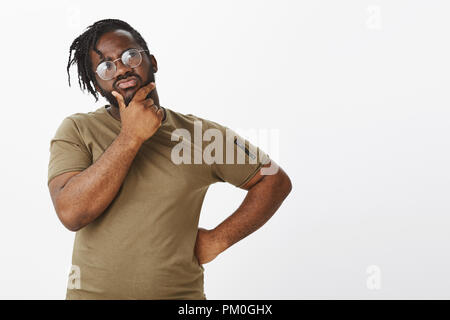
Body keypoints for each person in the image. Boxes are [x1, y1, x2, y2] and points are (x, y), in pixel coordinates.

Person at [47, 18, 292, 300]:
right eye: (106, 66)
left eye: (130, 55)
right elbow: (71, 213)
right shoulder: (77, 129)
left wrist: (217, 240)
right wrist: (131, 137)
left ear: (152, 60)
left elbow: (273, 181)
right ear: (96, 83)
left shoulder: (202, 136)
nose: (122, 67)